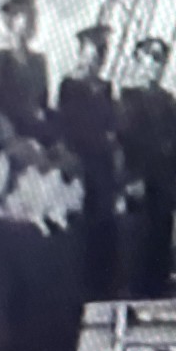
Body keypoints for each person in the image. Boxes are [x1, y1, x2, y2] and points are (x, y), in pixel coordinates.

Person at [57, 24, 120, 300]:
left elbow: (111, 124)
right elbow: (66, 123)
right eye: (94, 52)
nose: (98, 59)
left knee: (105, 219)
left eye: (102, 53)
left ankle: (104, 285)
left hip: (103, 162)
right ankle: (81, 285)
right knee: (82, 219)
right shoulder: (70, 85)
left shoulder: (105, 88)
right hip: (81, 159)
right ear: (82, 52)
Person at [118, 37, 176, 298]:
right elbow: (122, 141)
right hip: (139, 181)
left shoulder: (168, 101)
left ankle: (158, 292)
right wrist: (130, 178)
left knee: (161, 238)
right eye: (152, 57)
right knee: (137, 241)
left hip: (163, 181)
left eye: (161, 59)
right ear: (138, 60)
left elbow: (175, 142)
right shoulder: (127, 98)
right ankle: (134, 294)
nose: (157, 64)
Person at [0, 0, 51, 143]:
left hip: (31, 138)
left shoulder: (39, 62)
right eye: (26, 16)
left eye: (34, 16)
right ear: (12, 21)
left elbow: (42, 106)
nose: (32, 22)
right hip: (2, 139)